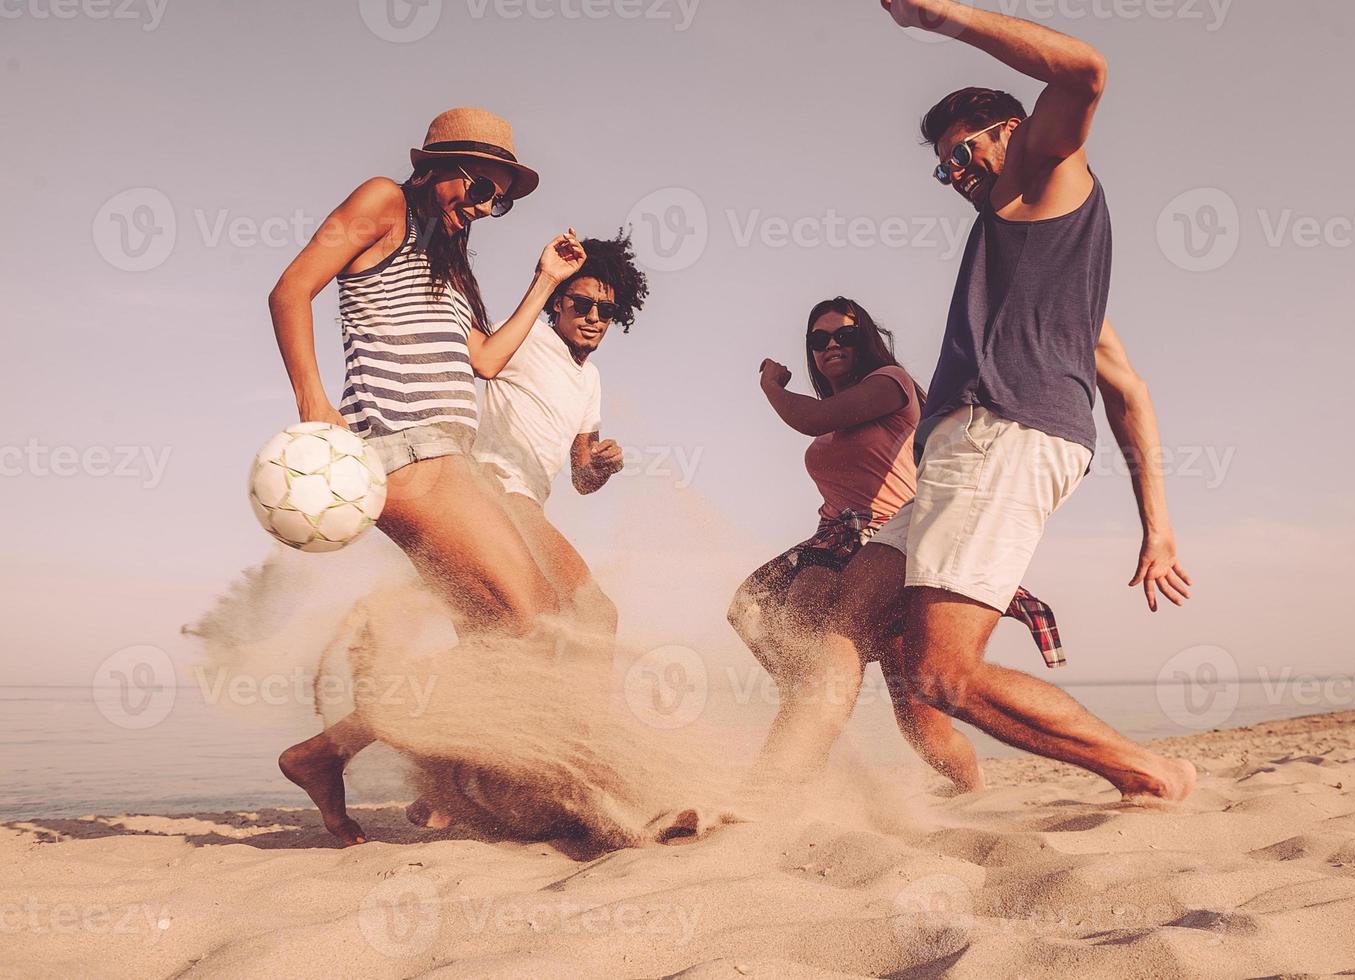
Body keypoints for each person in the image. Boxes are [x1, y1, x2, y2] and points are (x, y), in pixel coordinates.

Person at [777, 2, 1198, 802]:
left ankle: (1152, 773)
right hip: (956, 456)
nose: (954, 173)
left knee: (943, 675)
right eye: (942, 166)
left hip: (1006, 436)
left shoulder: (1044, 178)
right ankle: (762, 800)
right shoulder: (1042, 261)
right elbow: (1126, 387)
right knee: (842, 623)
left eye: (962, 151)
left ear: (1012, 129)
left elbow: (1084, 72)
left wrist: (937, 16)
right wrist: (1160, 529)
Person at [270, 107, 588, 845]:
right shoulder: (383, 201)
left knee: (492, 634)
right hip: (409, 454)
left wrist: (544, 281)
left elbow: (485, 360)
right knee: (535, 618)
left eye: (497, 200)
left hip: (450, 457)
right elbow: (290, 291)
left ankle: (327, 752)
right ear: (434, 166)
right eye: (478, 187)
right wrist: (316, 405)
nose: (482, 207)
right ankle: (527, 781)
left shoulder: (449, 258)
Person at [729, 296, 1067, 792]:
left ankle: (971, 793)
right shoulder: (841, 412)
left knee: (922, 726)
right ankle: (802, 730)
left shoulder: (890, 384)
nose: (830, 346)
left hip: (886, 543)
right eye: (818, 340)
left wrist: (770, 385)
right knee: (753, 609)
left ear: (866, 339)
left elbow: (809, 419)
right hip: (834, 540)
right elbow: (824, 423)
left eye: (843, 335)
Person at [471, 232, 649, 641]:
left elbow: (581, 480)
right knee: (594, 615)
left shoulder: (590, 380)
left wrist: (604, 467)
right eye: (582, 304)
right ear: (558, 303)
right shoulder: (527, 337)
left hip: (529, 501)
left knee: (517, 632)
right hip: (500, 491)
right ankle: (589, 710)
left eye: (605, 310)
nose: (593, 317)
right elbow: (470, 361)